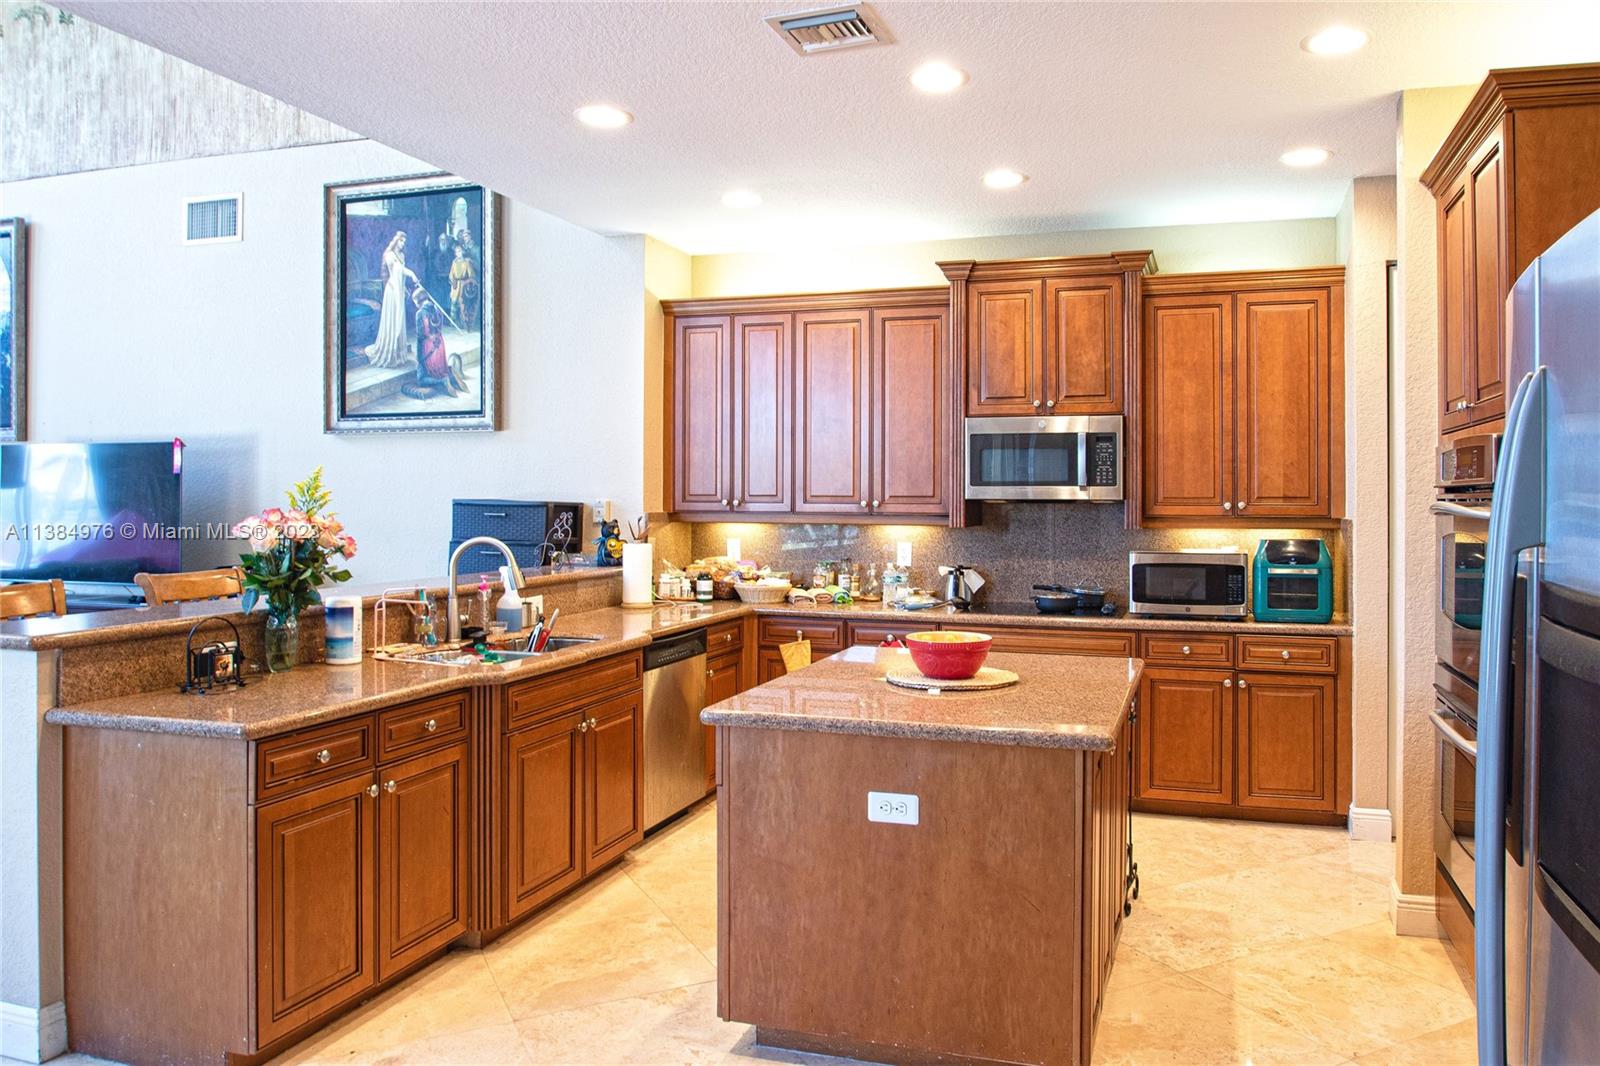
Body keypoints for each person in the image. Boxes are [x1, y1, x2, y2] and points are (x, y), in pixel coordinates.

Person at [364, 231, 418, 369]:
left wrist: (405, 287)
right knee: (393, 320)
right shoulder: (389, 255)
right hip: (392, 290)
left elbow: (401, 274)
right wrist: (411, 274)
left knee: (399, 321)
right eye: (400, 241)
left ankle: (398, 354)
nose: (402, 244)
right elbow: (398, 270)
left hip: (399, 289)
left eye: (404, 242)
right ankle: (390, 353)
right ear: (395, 241)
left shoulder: (402, 255)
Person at [448, 243, 479, 328]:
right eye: (457, 252)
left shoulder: (466, 262)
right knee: (453, 303)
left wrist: (467, 282)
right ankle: (453, 321)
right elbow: (451, 274)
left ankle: (464, 322)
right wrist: (453, 281)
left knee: (463, 304)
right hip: (455, 285)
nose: (459, 253)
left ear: (463, 252)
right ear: (455, 253)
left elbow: (471, 275)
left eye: (460, 251)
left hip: (463, 285)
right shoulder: (454, 263)